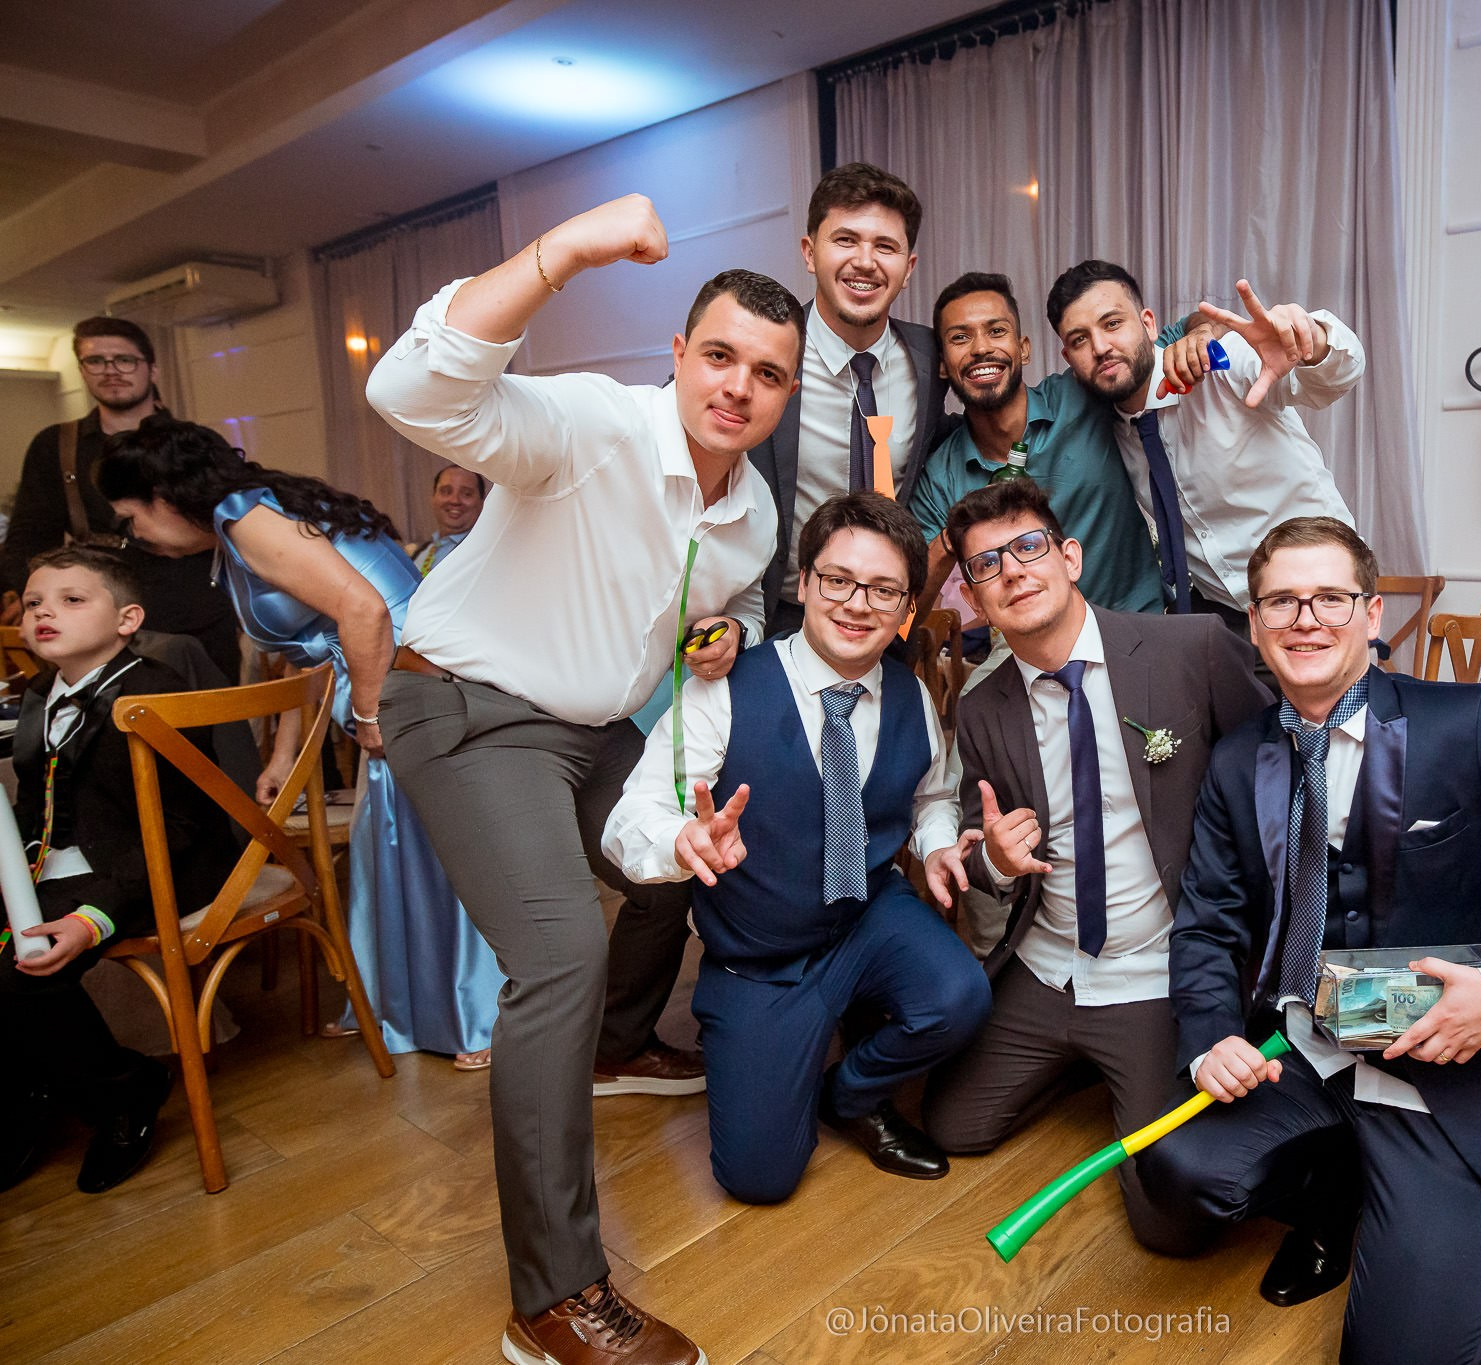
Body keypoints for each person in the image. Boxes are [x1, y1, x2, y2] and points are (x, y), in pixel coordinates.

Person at [365, 189, 792, 1365]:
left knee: (679, 862)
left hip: (588, 729)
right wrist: (567, 251)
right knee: (558, 952)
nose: (737, 387)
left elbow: (723, 606)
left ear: (783, 393)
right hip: (468, 706)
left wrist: (726, 636)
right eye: (719, 356)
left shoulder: (752, 513)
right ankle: (553, 1299)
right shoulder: (594, 424)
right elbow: (411, 392)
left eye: (765, 372)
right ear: (679, 352)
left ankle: (611, 1046)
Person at [1138, 517, 1481, 1365]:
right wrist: (1209, 1040)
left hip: (1444, 1073)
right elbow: (1206, 924)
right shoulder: (1236, 761)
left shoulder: (1469, 724)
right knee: (1177, 1169)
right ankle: (1341, 1198)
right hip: (1303, 1049)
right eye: (1281, 602)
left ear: (1372, 613)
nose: (1306, 618)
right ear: (1255, 625)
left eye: (1330, 598)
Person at [604, 492, 990, 1203]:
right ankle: (781, 1054)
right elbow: (632, 815)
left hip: (867, 916)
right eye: (838, 579)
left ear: (907, 606)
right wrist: (680, 842)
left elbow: (932, 795)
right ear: (805, 583)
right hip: (760, 954)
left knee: (961, 996)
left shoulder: (910, 696)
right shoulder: (725, 689)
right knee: (759, 1178)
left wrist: (937, 845)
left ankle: (849, 1093)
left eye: (883, 590)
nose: (857, 604)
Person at [920, 478, 1267, 1251]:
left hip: (1156, 969)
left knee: (1170, 1225)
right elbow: (978, 839)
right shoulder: (982, 706)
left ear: (1069, 557)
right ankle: (1081, 1063)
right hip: (1048, 964)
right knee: (952, 1125)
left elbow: (1269, 773)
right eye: (985, 566)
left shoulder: (1189, 649)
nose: (1012, 571)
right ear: (973, 598)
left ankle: (1127, 1069)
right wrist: (996, 860)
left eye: (1028, 547)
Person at [97, 418, 503, 1072]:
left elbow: (366, 611)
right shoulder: (243, 522)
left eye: (131, 517)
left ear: (164, 496)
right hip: (393, 681)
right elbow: (309, 649)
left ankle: (477, 1015)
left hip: (415, 683)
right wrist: (284, 754)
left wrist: (371, 712)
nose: (135, 534)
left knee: (434, 853)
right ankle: (402, 1008)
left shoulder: (250, 521)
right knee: (392, 849)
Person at [0, 547, 239, 1194]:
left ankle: (123, 1088)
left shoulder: (155, 692)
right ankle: (31, 1092)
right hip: (64, 861)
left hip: (164, 864)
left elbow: (183, 826)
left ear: (127, 619)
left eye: (72, 599)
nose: (45, 611)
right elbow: (35, 803)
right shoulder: (37, 694)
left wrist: (92, 916)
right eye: (33, 601)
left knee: (25, 964)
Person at [1047, 262, 1364, 628]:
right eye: (1080, 340)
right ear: (1069, 359)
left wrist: (1312, 342)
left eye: (1113, 323)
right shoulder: (1105, 428)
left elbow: (1338, 375)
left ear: (1148, 324)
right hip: (1225, 620)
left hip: (1320, 599)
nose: (1101, 347)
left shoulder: (1220, 365)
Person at [910, 271, 1197, 616]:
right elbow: (907, 606)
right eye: (960, 338)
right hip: (1030, 644)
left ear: (1024, 349)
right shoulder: (940, 477)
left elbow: (1176, 335)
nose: (981, 348)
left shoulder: (1079, 396)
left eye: (996, 331)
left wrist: (1203, 332)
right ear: (943, 365)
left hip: (1137, 626)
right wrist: (954, 534)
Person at [749, 163, 953, 637]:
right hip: (780, 617)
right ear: (809, 252)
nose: (865, 261)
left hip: (887, 618)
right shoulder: (765, 353)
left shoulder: (930, 357)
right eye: (845, 240)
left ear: (908, 268)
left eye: (885, 246)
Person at [0, 317, 240, 681]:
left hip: (198, 610)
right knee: (108, 713)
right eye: (96, 361)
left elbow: (234, 523)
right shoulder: (56, 445)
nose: (111, 370)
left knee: (210, 712)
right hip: (98, 620)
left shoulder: (195, 442)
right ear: (82, 370)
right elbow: (29, 538)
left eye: (125, 360)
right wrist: (35, 603)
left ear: (152, 369)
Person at [412, 465, 489, 574]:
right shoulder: (423, 551)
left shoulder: (485, 554)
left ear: (482, 502)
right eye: (446, 491)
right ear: (433, 497)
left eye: (467, 494)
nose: (455, 500)